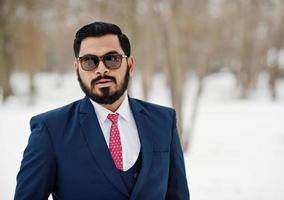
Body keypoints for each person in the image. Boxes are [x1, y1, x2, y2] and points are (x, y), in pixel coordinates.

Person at [14, 21, 189, 200]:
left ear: (130, 65)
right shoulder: (50, 130)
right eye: (89, 61)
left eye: (112, 59)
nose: (101, 69)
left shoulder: (163, 121)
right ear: (77, 70)